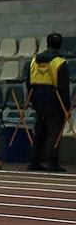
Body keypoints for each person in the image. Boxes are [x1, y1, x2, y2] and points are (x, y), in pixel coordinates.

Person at [26, 32, 69, 172]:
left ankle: (34, 161)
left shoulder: (34, 60)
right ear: (60, 45)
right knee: (54, 133)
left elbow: (28, 83)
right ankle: (52, 162)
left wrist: (33, 101)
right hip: (55, 102)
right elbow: (63, 87)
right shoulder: (60, 62)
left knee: (39, 132)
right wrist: (66, 107)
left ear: (47, 43)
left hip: (38, 101)